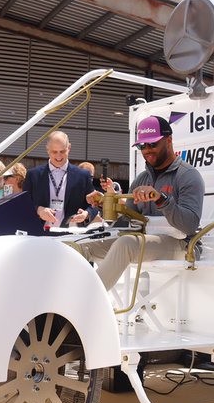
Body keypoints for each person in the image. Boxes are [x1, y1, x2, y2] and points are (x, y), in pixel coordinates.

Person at [84, 116, 204, 291]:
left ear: (169, 140)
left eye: (153, 144)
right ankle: (60, 298)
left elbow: (189, 226)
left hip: (183, 244)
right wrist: (105, 204)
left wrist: (161, 199)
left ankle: (86, 300)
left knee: (125, 244)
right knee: (80, 246)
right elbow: (126, 223)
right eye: (142, 146)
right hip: (146, 240)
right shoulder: (142, 178)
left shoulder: (187, 175)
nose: (147, 150)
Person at [23, 131, 95, 232]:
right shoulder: (33, 175)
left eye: (62, 151)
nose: (59, 156)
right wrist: (39, 210)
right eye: (54, 152)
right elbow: (23, 204)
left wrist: (86, 214)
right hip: (39, 234)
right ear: (47, 150)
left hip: (71, 234)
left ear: (69, 148)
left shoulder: (83, 176)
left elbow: (94, 205)